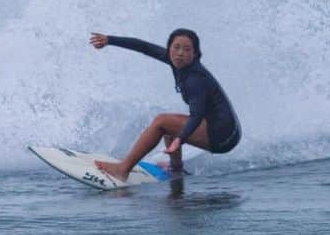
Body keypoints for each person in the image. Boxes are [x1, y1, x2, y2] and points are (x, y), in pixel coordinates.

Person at [89, 29, 241, 194]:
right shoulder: (173, 60)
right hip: (226, 128)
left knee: (162, 122)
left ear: (195, 54)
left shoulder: (195, 80)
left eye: (187, 49)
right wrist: (109, 40)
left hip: (223, 135)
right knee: (170, 124)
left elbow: (196, 115)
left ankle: (122, 169)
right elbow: (143, 46)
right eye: (176, 47)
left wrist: (180, 139)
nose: (180, 53)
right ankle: (176, 169)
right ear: (169, 49)